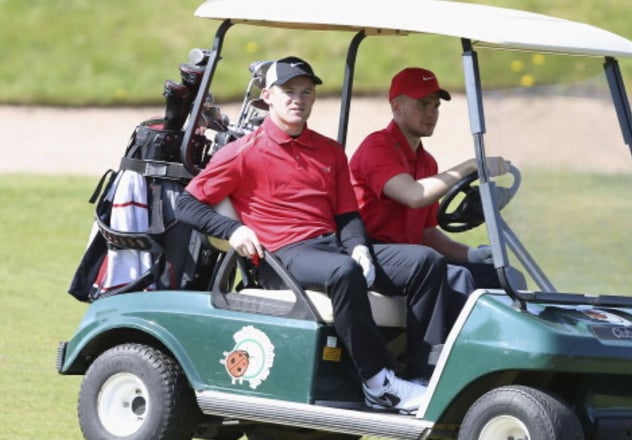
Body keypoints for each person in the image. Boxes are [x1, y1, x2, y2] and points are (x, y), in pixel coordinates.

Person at [175, 57, 451, 414]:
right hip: (281, 256)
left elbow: (347, 214)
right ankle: (379, 383)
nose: (298, 100)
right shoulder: (244, 152)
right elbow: (187, 205)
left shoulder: (329, 151)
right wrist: (235, 229)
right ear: (268, 96)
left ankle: (421, 378)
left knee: (426, 262)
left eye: (306, 93)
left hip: (330, 247)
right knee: (342, 271)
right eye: (288, 92)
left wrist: (359, 247)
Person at [349, 67, 518, 327]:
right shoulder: (377, 148)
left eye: (436, 106)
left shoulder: (427, 162)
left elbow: (427, 234)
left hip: (413, 259)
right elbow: (414, 196)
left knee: (501, 276)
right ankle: (434, 359)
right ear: (397, 107)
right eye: (423, 104)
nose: (431, 113)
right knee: (456, 277)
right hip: (369, 254)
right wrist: (472, 165)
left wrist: (471, 254)